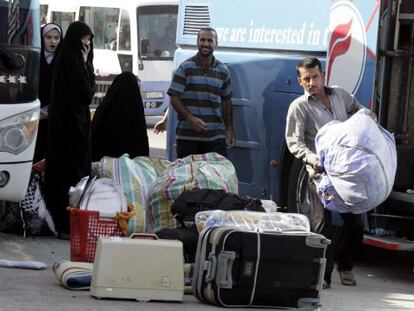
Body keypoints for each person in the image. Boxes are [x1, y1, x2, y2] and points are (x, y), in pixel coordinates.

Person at [285, 57, 366, 288]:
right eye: (306, 79)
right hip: (319, 176)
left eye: (315, 77)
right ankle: (323, 276)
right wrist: (312, 159)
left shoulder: (339, 95)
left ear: (323, 75)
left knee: (357, 224)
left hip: (346, 173)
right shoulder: (299, 107)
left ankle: (345, 264)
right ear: (300, 81)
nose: (312, 82)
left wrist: (366, 115)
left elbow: (357, 109)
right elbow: (294, 142)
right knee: (322, 225)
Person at [44, 21, 95, 238]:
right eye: (83, 39)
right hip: (69, 130)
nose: (86, 44)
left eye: (89, 40)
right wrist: (85, 64)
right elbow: (86, 92)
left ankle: (68, 223)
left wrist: (86, 64)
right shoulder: (71, 61)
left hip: (72, 127)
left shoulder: (69, 58)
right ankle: (67, 225)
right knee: (70, 176)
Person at [167, 27, 235, 158]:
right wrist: (190, 118)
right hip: (188, 138)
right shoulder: (185, 68)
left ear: (216, 44)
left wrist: (230, 130)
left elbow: (227, 101)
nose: (205, 43)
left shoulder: (223, 70)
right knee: (189, 178)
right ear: (197, 43)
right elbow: (174, 98)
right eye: (202, 40)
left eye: (210, 40)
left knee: (217, 177)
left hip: (216, 137)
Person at [91, 71, 149, 161]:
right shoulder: (136, 113)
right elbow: (141, 146)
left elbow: (94, 137)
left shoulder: (104, 109)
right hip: (129, 169)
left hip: (104, 167)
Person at [33, 22, 62, 163]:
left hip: (55, 114)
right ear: (42, 38)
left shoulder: (63, 60)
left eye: (56, 38)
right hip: (34, 112)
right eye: (48, 37)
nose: (53, 41)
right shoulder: (34, 58)